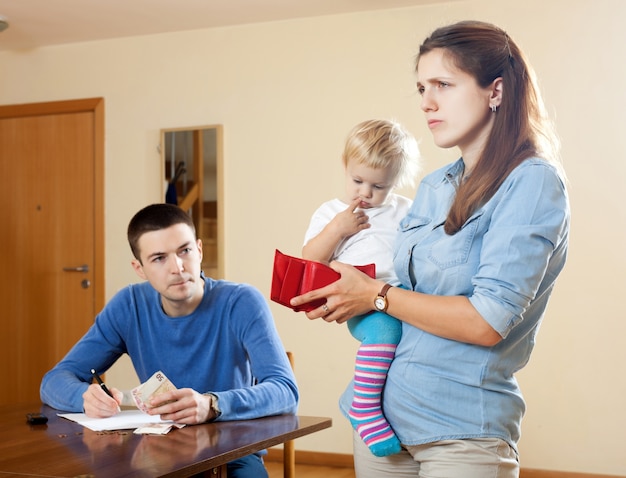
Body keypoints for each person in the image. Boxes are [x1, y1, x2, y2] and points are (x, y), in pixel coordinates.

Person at [291, 20, 570, 478]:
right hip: (385, 426)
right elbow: (399, 286)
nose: (426, 101)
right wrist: (346, 294)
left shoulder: (532, 182)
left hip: (462, 432)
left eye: (443, 84)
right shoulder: (434, 186)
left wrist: (374, 296)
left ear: (495, 91)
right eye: (421, 87)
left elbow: (487, 322)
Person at [40, 203, 298, 478]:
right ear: (139, 268)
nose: (177, 267)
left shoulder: (242, 302)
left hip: (233, 454)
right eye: (159, 258)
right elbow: (54, 380)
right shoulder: (129, 306)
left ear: (199, 249)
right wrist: (84, 397)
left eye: (185, 251)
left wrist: (212, 405)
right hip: (157, 453)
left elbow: (285, 391)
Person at [302, 119, 419, 457]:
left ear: (395, 182)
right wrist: (338, 229)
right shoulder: (331, 213)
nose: (365, 193)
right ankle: (363, 406)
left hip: (399, 293)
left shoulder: (404, 210)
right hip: (362, 304)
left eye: (378, 186)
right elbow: (310, 259)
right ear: (345, 166)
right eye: (357, 181)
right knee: (386, 331)